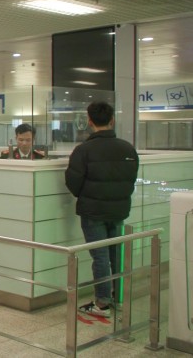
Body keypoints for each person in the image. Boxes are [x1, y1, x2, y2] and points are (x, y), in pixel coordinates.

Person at [65, 101, 139, 318]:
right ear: (112, 120)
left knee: (100, 256)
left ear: (89, 121)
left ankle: (102, 303)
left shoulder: (83, 150)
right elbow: (131, 179)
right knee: (117, 254)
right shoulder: (128, 148)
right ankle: (119, 297)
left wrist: (87, 196)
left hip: (93, 211)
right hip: (119, 210)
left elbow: (73, 182)